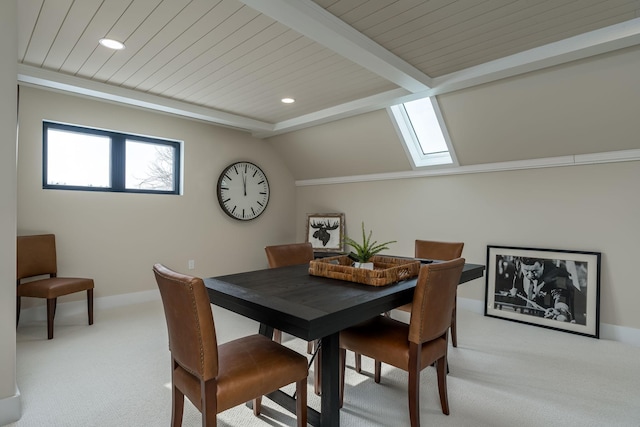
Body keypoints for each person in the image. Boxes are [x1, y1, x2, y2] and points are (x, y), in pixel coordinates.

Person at [504, 257, 575, 322]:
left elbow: (561, 294)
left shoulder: (556, 274)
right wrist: (515, 288)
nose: (530, 275)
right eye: (526, 271)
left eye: (534, 271)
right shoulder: (520, 265)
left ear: (542, 265)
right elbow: (518, 274)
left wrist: (559, 310)